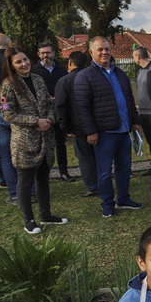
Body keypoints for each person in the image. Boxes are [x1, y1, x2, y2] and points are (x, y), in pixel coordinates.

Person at [0, 47, 68, 234]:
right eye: (19, 62)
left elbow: (47, 102)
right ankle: (29, 220)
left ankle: (46, 215)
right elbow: (7, 113)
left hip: (45, 137)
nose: (24, 64)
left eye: (25, 59)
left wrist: (47, 120)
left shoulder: (38, 79)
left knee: (43, 178)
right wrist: (35, 121)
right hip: (25, 142)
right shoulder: (8, 84)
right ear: (12, 66)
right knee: (25, 180)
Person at [74, 36, 143, 217]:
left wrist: (134, 121)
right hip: (104, 134)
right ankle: (107, 204)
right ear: (91, 52)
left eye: (106, 49)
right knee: (104, 172)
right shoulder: (85, 76)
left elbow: (129, 99)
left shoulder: (119, 73)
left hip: (123, 131)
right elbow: (82, 108)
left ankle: (123, 199)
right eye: (100, 50)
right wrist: (91, 131)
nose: (104, 52)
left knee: (125, 168)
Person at [55, 51, 98, 197]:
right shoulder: (94, 77)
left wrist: (65, 127)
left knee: (84, 157)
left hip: (77, 126)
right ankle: (102, 182)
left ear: (69, 63)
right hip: (96, 124)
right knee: (99, 155)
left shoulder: (64, 81)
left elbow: (60, 107)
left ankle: (92, 186)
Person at [32, 42, 72, 182]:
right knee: (44, 145)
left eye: (48, 52)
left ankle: (64, 172)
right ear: (38, 54)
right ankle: (44, 174)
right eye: (43, 53)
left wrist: (59, 97)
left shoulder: (61, 70)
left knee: (61, 143)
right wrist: (46, 98)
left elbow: (68, 87)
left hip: (59, 110)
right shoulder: (34, 72)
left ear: (53, 53)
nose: (45, 55)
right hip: (43, 113)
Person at [132, 46, 151, 175]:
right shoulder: (140, 71)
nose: (134, 59)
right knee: (150, 141)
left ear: (138, 56)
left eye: (133, 56)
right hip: (143, 113)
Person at [0, 33, 18, 204]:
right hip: (16, 111)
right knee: (22, 150)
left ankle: (14, 192)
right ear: (10, 44)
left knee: (5, 154)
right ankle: (31, 190)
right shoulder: (12, 60)